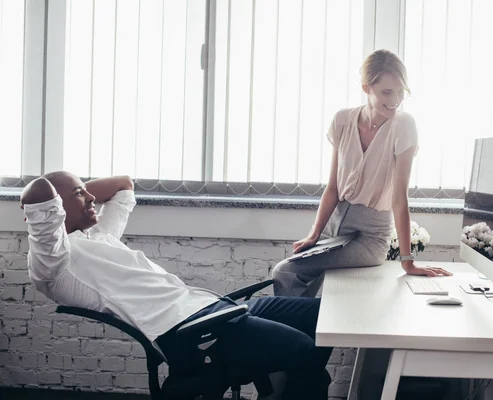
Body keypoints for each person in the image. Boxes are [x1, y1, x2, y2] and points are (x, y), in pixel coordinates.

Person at [20, 171, 331, 399]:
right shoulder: (54, 261)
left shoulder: (98, 237)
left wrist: (76, 191)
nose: (90, 197)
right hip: (191, 331)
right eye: (79, 194)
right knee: (307, 354)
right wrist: (61, 193)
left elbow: (124, 186)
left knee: (325, 315)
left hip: (214, 309)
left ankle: (277, 390)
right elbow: (38, 193)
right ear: (56, 209)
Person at [272, 49, 452, 298]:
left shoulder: (404, 125)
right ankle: (308, 332)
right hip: (333, 227)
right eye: (386, 92)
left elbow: (400, 198)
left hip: (370, 235)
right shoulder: (343, 120)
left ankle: (298, 335)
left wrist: (407, 261)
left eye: (401, 91)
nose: (395, 99)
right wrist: (314, 234)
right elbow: (333, 188)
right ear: (366, 87)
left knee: (284, 272)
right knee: (301, 277)